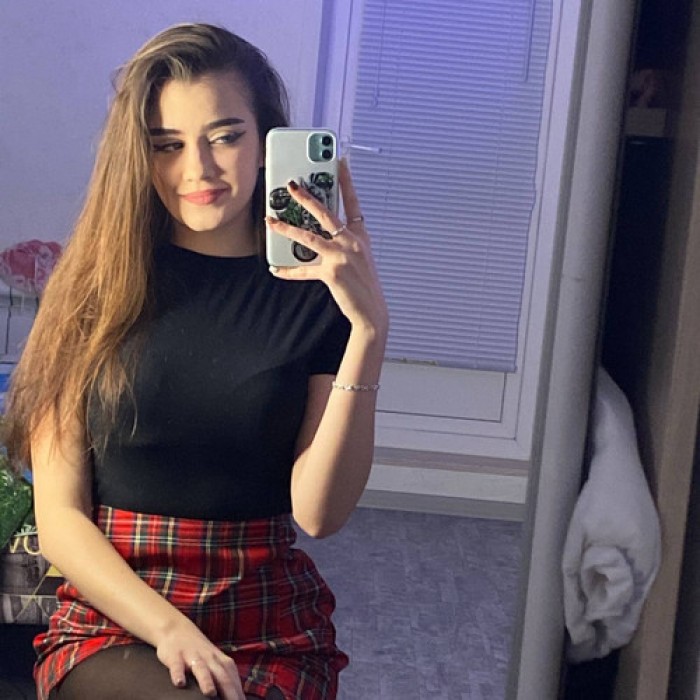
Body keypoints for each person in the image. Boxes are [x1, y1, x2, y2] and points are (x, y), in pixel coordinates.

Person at [4, 22, 388, 700]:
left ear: (266, 140)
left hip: (265, 617)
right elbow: (61, 520)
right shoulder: (93, 289)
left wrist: (368, 331)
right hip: (117, 613)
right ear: (139, 156)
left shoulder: (316, 293)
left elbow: (319, 515)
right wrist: (170, 629)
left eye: (225, 136)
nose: (199, 170)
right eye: (168, 145)